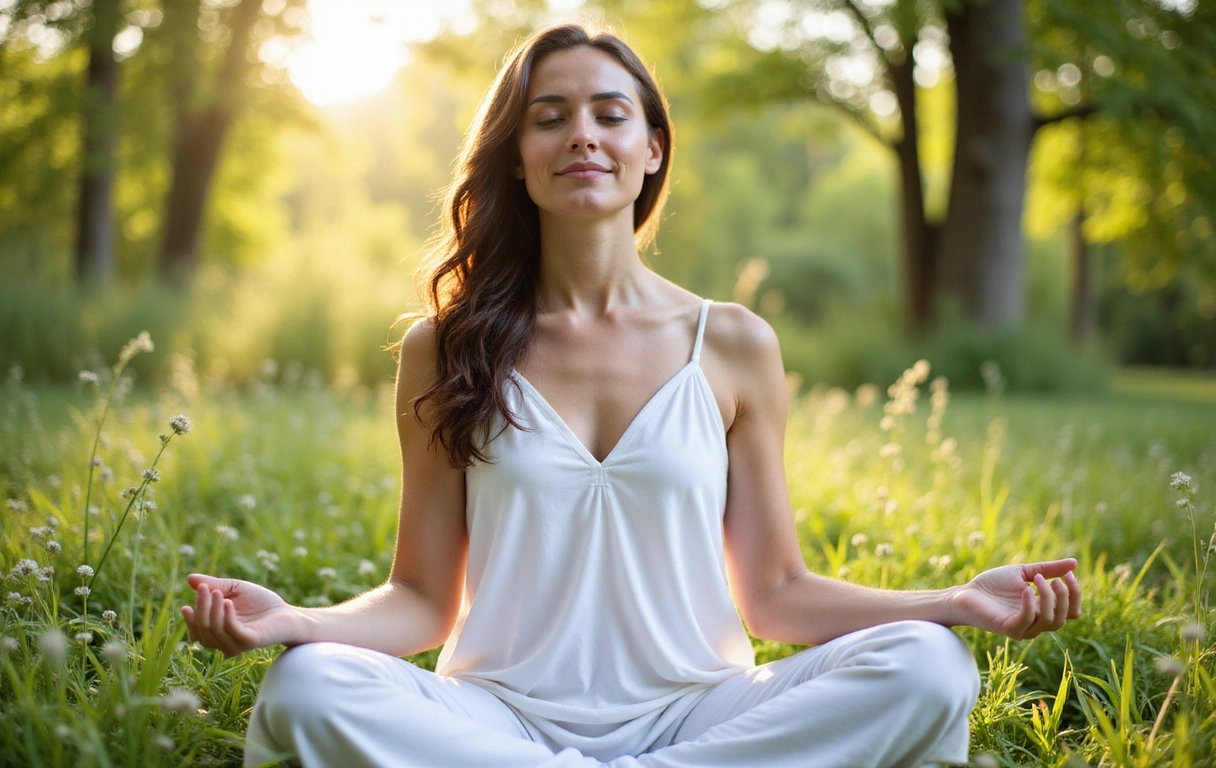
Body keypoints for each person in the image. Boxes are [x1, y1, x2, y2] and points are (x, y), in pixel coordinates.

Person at [180, 22, 1082, 768]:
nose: (582, 135)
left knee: (930, 665)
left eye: (610, 115)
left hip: (704, 714)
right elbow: (420, 599)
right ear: (518, 158)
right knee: (308, 683)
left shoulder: (733, 344)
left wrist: (954, 601)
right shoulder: (444, 349)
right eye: (550, 118)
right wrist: (294, 622)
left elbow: (776, 595)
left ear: (651, 151)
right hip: (499, 719)